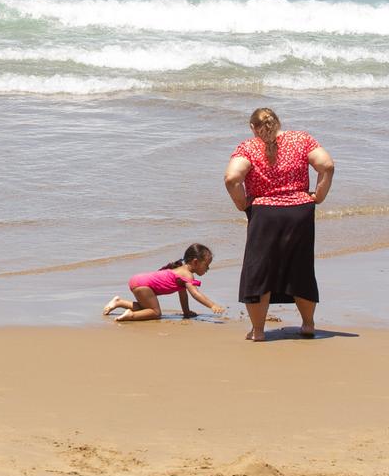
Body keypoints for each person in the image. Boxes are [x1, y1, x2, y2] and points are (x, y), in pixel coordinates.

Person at [224, 107, 334, 342]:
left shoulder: (249, 147)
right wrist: (319, 196)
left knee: (259, 271)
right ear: (278, 122)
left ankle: (259, 331)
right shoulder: (301, 139)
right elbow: (327, 166)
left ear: (253, 127)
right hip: (300, 212)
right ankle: (307, 325)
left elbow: (232, 178)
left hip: (265, 214)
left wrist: (243, 204)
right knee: (300, 268)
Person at [103, 243, 224, 322]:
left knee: (147, 308)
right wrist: (212, 305)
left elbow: (183, 295)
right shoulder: (187, 274)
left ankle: (118, 302)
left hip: (138, 280)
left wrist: (186, 312)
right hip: (144, 285)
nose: (208, 269)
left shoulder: (180, 272)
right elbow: (195, 294)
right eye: (206, 265)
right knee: (156, 313)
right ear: (195, 262)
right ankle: (130, 316)